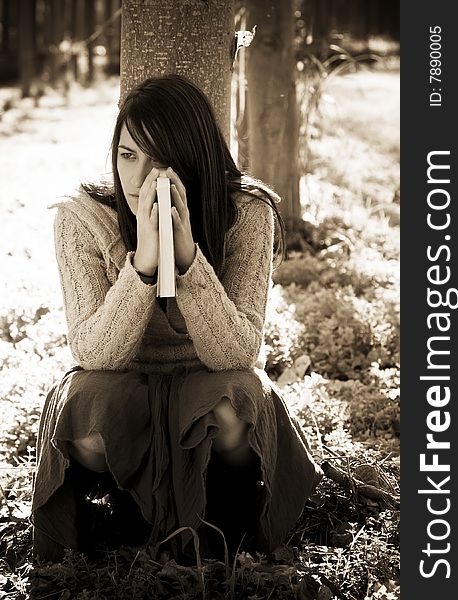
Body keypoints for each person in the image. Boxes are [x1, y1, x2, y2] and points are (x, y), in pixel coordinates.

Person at [31, 74, 322, 563]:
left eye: (159, 160)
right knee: (84, 420)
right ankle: (128, 505)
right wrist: (142, 265)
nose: (139, 178)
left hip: (208, 380)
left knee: (235, 408)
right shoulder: (81, 219)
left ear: (190, 160)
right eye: (128, 155)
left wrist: (187, 260)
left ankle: (224, 515)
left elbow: (237, 353)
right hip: (125, 381)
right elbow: (93, 354)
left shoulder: (246, 212)